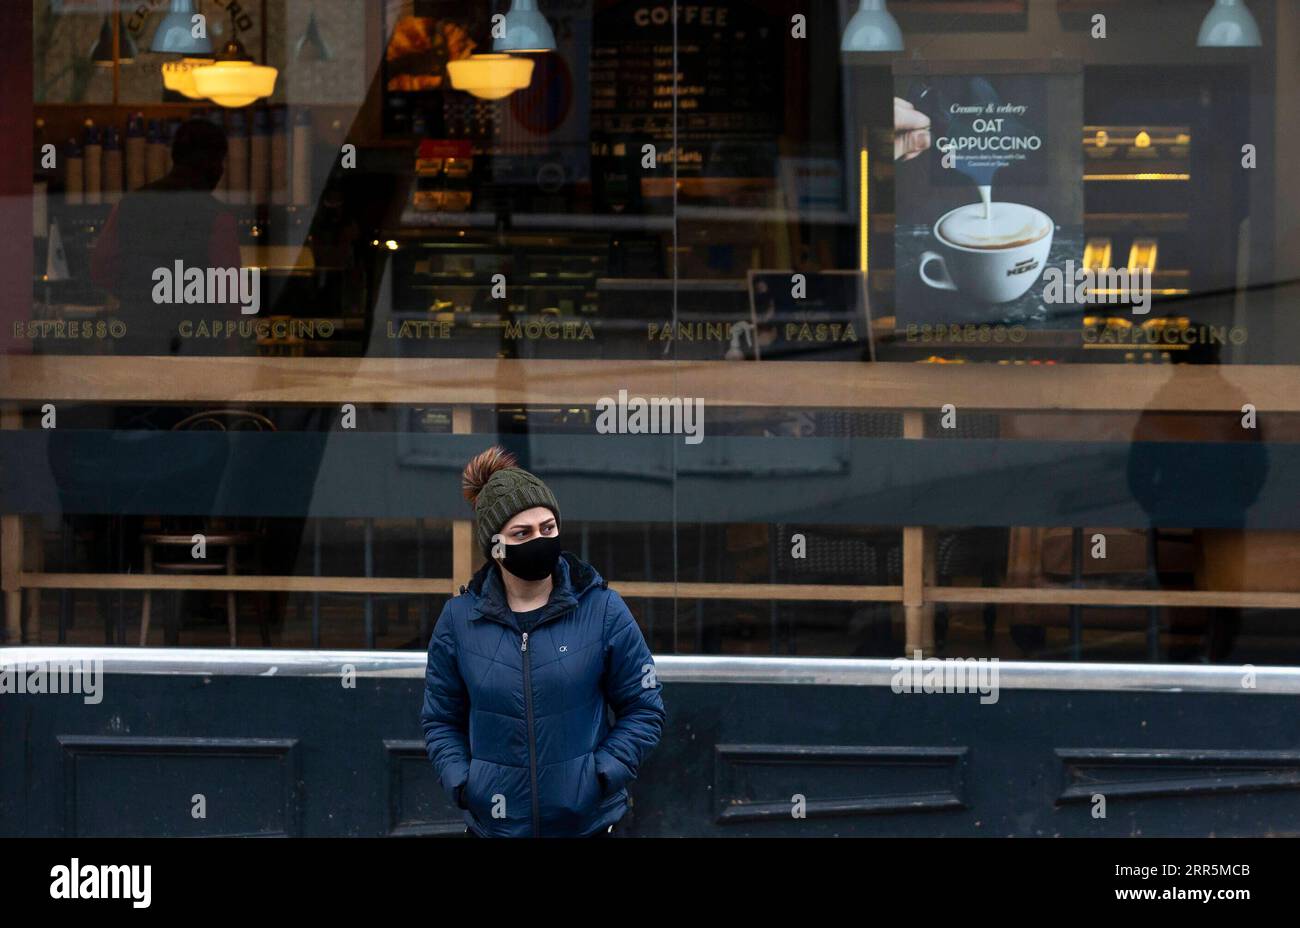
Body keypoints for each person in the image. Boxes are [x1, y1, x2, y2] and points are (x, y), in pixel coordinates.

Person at [420, 446, 666, 837]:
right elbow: (440, 719)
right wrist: (467, 785)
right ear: (496, 547)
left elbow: (644, 708)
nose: (540, 539)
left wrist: (599, 778)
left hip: (589, 825)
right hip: (496, 827)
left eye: (548, 528)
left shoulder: (602, 609)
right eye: (523, 533)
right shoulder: (459, 620)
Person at [91, 118, 243, 357]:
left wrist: (140, 295)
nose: (222, 171)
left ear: (175, 156)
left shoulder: (128, 205)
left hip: (136, 339)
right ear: (213, 163)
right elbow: (229, 296)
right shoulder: (219, 217)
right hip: (196, 345)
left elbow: (101, 268)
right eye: (221, 162)